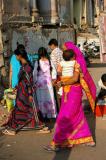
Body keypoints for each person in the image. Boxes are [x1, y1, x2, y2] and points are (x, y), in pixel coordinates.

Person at [44, 41, 96, 151]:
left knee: (64, 116)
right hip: (68, 92)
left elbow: (75, 79)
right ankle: (87, 138)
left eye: (64, 49)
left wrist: (62, 82)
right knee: (77, 115)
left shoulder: (77, 64)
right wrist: (58, 80)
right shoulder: (66, 63)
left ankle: (56, 142)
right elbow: (60, 75)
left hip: (73, 92)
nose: (63, 51)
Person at [2, 48, 49, 135]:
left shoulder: (26, 67)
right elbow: (23, 80)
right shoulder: (24, 65)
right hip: (21, 91)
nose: (15, 57)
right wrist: (16, 87)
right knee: (24, 110)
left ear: (19, 56)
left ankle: (14, 129)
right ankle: (39, 126)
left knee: (26, 110)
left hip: (25, 93)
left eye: (16, 55)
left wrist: (30, 94)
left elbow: (29, 82)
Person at [33, 47, 57, 120]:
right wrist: (53, 79)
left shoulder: (37, 62)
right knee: (50, 98)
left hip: (40, 83)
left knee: (41, 99)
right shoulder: (49, 61)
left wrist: (35, 81)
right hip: (48, 82)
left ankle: (43, 115)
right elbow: (54, 71)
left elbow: (34, 73)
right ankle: (51, 115)